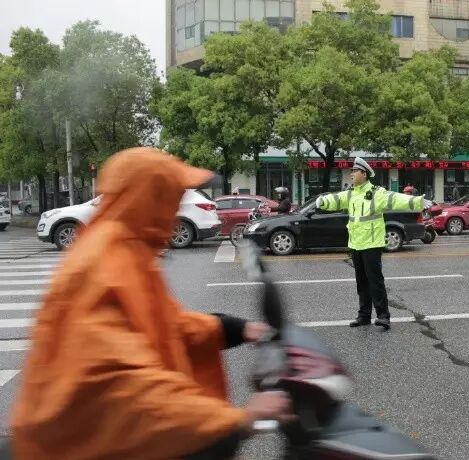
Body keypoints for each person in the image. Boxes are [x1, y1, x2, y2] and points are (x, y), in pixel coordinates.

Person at [10, 147, 293, 459]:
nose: (178, 207)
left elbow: (165, 326)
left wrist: (233, 329)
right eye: (174, 196)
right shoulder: (104, 262)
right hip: (68, 448)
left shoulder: (126, 249)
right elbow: (125, 387)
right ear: (153, 198)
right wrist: (235, 421)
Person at [316, 157, 432, 330]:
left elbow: (395, 199)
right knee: (361, 283)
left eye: (355, 171)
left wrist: (416, 202)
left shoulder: (376, 193)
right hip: (355, 243)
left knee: (375, 281)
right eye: (351, 171)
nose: (351, 174)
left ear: (364, 174)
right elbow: (336, 199)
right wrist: (323, 201)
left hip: (372, 243)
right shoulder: (351, 193)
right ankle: (364, 316)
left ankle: (383, 316)